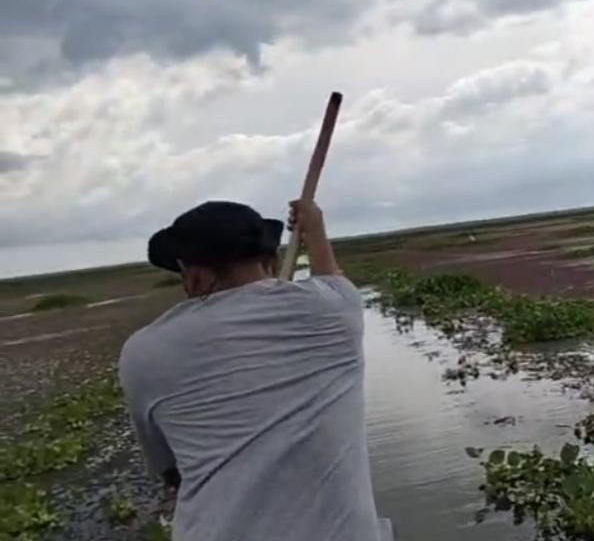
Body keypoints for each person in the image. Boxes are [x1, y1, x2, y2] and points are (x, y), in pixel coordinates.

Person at [119, 199, 393, 541]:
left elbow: (170, 470)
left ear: (193, 275)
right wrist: (315, 231)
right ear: (273, 261)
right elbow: (333, 279)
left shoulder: (142, 352)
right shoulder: (335, 311)